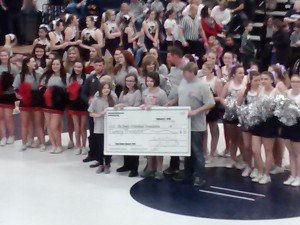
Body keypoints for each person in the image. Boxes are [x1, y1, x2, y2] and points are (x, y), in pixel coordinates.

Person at [168, 62, 215, 186]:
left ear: (193, 73)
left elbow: (210, 103)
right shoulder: (183, 82)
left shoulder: (202, 86)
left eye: (185, 72)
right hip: (183, 123)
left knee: (197, 150)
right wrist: (172, 102)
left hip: (196, 124)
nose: (183, 74)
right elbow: (180, 95)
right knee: (187, 150)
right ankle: (188, 172)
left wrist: (196, 112)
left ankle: (200, 175)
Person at [251, 71, 279, 184]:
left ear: (272, 80)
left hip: (270, 122)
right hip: (259, 121)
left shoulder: (276, 92)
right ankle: (260, 172)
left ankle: (266, 175)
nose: (263, 81)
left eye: (266, 79)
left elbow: (278, 109)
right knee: (255, 149)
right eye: (262, 79)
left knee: (268, 150)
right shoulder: (260, 90)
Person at [140, 71, 168, 179]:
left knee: (158, 147)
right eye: (147, 81)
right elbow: (142, 103)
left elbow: (165, 107)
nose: (149, 83)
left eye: (151, 81)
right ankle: (150, 168)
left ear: (156, 81)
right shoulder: (144, 91)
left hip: (158, 123)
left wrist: (155, 107)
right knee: (149, 147)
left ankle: (159, 169)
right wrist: (142, 106)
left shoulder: (161, 93)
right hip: (147, 122)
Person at [13, 56, 45, 151]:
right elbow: (15, 88)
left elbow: (43, 86)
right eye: (33, 61)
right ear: (27, 64)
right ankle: (24, 143)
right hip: (25, 101)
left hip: (36, 100)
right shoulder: (20, 76)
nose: (35, 63)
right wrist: (18, 96)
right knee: (24, 123)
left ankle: (42, 143)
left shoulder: (39, 74)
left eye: (34, 61)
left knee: (38, 123)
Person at [115, 73, 142, 177]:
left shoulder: (137, 92)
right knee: (125, 143)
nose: (129, 83)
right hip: (124, 121)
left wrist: (125, 105)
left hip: (134, 121)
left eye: (131, 81)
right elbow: (118, 103)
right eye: (127, 81)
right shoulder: (123, 92)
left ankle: (134, 168)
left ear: (135, 82)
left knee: (133, 145)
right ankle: (126, 164)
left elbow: (137, 106)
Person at [220, 64, 246, 169]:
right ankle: (232, 158)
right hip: (230, 114)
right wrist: (227, 105)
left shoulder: (245, 85)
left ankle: (244, 160)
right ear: (234, 74)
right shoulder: (228, 84)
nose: (242, 75)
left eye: (243, 73)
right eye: (240, 73)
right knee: (232, 138)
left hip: (241, 115)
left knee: (241, 139)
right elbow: (221, 97)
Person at [236, 71, 261, 177]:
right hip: (246, 122)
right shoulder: (244, 91)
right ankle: (248, 165)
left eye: (259, 80)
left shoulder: (261, 91)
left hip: (257, 122)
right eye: (255, 80)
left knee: (256, 147)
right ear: (250, 80)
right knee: (247, 145)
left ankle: (256, 166)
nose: (258, 82)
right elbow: (238, 105)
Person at [40, 58, 67, 154]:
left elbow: (67, 91)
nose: (55, 66)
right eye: (53, 64)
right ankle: (54, 145)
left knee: (54, 126)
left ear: (61, 65)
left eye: (57, 64)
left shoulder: (65, 77)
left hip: (58, 104)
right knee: (48, 125)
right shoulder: (47, 76)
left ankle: (59, 145)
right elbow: (42, 87)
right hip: (47, 103)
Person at [82, 58, 106, 164]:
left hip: (104, 111)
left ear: (103, 66)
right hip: (93, 110)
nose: (98, 68)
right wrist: (88, 100)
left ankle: (103, 155)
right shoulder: (90, 78)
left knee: (102, 133)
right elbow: (83, 92)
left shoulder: (107, 79)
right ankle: (92, 154)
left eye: (100, 65)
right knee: (92, 132)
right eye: (96, 65)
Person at [88, 81, 115, 174]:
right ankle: (100, 164)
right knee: (100, 146)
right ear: (100, 89)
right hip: (99, 126)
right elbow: (91, 113)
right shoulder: (96, 99)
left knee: (108, 146)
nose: (106, 90)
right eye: (104, 88)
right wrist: (99, 114)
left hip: (110, 126)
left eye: (108, 88)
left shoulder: (113, 98)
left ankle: (107, 164)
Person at [201, 61, 222, 163]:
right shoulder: (202, 80)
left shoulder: (216, 81)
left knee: (214, 130)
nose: (202, 70)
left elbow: (220, 96)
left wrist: (210, 98)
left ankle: (212, 153)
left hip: (213, 107)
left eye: (204, 69)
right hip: (204, 107)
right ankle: (204, 153)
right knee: (204, 132)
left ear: (210, 70)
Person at [67, 60, 89, 155]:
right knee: (76, 127)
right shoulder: (70, 78)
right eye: (76, 67)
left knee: (82, 127)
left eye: (79, 67)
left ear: (82, 68)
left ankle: (84, 146)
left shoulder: (87, 77)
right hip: (73, 105)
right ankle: (78, 146)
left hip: (83, 105)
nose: (77, 69)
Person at [281, 74, 300, 186]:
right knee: (291, 152)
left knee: (298, 153)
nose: (295, 84)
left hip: (297, 125)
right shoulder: (287, 94)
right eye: (293, 81)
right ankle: (292, 175)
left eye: (297, 82)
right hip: (287, 124)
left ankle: (298, 176)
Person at [0, 71, 16, 146]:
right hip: (1, 95)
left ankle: (11, 135)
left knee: (8, 117)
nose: (3, 58)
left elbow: (15, 84)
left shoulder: (13, 67)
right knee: (1, 117)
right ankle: (3, 137)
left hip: (9, 96)